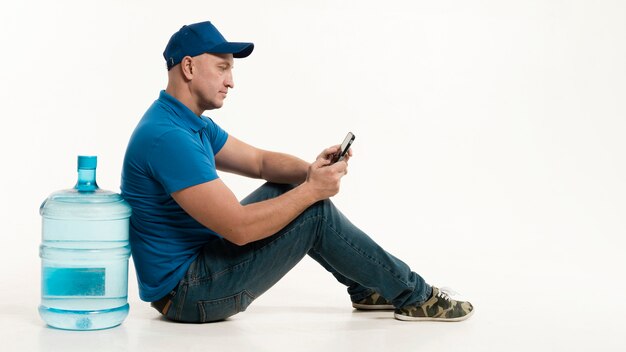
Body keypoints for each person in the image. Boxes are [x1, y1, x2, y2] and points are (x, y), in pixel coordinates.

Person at [121, 20, 474, 323]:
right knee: (313, 211)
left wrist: (309, 172)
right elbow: (239, 228)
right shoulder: (168, 138)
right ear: (188, 67)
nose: (231, 81)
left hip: (195, 274)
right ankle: (416, 296)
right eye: (222, 67)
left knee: (290, 187)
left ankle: (369, 287)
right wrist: (312, 191)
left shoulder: (188, 123)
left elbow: (259, 162)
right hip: (188, 294)